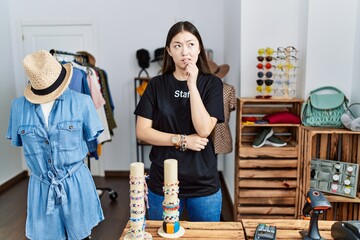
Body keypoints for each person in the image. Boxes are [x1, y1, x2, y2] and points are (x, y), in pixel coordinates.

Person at [6, 50, 104, 240]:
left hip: (75, 184)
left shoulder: (82, 102)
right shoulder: (18, 107)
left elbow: (92, 135)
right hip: (41, 188)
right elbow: (19, 141)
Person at [134, 21, 224, 221]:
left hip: (203, 185)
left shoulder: (212, 84)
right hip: (162, 182)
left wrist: (192, 85)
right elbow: (142, 131)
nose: (185, 51)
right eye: (177, 45)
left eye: (191, 44)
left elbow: (203, 130)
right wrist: (183, 140)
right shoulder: (156, 85)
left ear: (199, 48)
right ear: (169, 51)